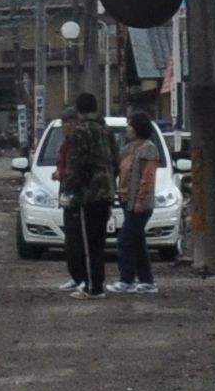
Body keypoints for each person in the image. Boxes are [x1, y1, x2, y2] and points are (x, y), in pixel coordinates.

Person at [55, 92, 114, 295]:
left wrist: (70, 190)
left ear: (78, 111)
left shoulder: (81, 132)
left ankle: (92, 287)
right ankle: (96, 284)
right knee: (98, 243)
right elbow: (114, 158)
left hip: (88, 194)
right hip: (106, 191)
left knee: (88, 245)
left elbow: (76, 164)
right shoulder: (105, 130)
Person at [115, 117, 164, 297]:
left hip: (139, 204)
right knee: (137, 242)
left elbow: (147, 178)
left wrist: (140, 201)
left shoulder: (148, 149)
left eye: (130, 125)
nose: (127, 129)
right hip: (127, 200)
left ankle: (127, 279)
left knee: (125, 240)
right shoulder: (129, 149)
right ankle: (146, 280)